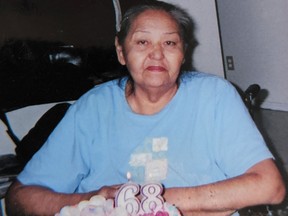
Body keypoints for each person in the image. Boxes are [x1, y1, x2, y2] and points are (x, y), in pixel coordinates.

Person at [5, 1, 285, 215]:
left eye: (170, 42)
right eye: (142, 42)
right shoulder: (93, 107)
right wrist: (94, 201)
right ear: (120, 51)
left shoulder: (214, 96)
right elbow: (18, 198)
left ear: (183, 53)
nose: (156, 53)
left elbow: (270, 186)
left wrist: (144, 202)